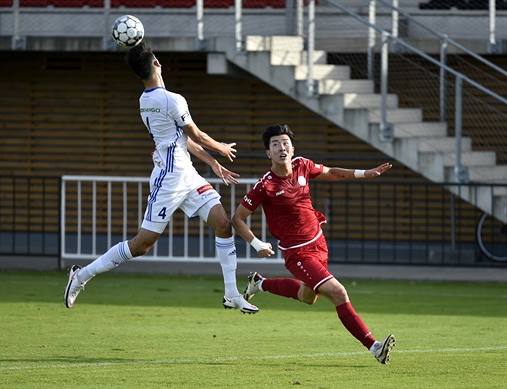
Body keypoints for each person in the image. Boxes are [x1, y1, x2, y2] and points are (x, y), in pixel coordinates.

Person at [64, 42, 258, 314]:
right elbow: (197, 135)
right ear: (157, 64)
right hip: (169, 179)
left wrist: (212, 162)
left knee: (223, 224)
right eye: (156, 58)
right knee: (141, 244)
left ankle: (231, 294)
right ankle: (81, 275)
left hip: (186, 175)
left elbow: (181, 140)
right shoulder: (171, 99)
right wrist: (221, 148)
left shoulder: (146, 100)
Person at [231, 124, 395, 363]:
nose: (281, 147)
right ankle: (374, 347)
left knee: (307, 296)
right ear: (268, 153)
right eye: (275, 144)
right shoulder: (264, 186)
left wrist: (364, 173)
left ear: (292, 147)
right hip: (298, 254)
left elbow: (332, 173)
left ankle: (260, 284)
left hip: (319, 244)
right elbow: (238, 218)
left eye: (285, 142)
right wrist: (257, 244)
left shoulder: (302, 165)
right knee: (339, 292)